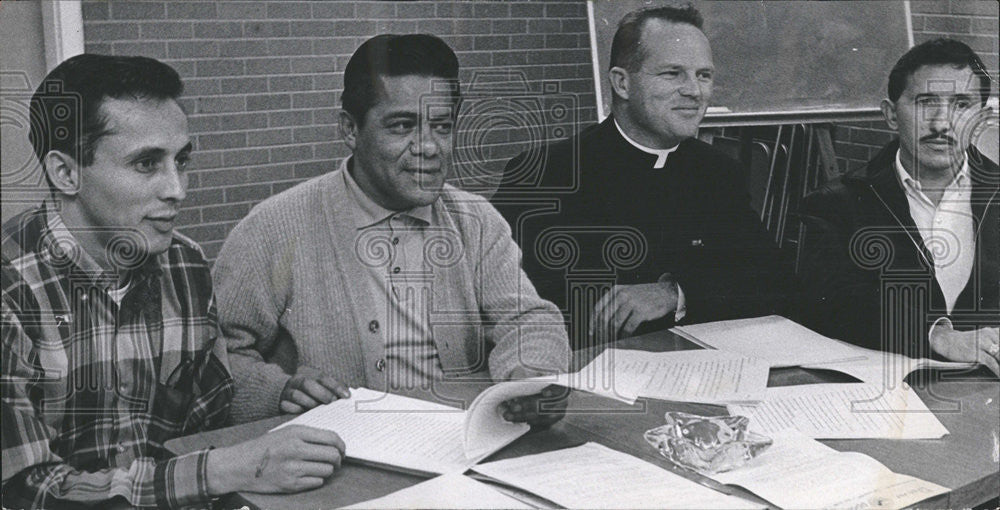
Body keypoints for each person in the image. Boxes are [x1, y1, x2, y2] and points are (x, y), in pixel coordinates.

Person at [1, 54, 345, 509]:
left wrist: (282, 394)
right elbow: (27, 488)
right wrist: (224, 469)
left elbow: (208, 406)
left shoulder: (183, 263)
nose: (177, 189)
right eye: (147, 164)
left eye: (181, 160)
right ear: (65, 173)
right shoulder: (10, 290)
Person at [213, 34, 570, 426]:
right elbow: (216, 357)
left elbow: (528, 320)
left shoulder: (476, 220)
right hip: (336, 456)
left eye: (442, 126)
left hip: (465, 444)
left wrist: (529, 375)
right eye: (402, 126)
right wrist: (277, 390)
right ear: (350, 130)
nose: (429, 147)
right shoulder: (273, 229)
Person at [495, 5, 787, 347]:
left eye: (703, 75)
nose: (694, 91)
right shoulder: (545, 174)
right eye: (673, 73)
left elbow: (777, 284)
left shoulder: (718, 174)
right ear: (622, 82)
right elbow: (505, 307)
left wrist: (676, 293)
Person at [798, 39, 999, 374]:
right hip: (885, 397)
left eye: (961, 105)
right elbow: (831, 303)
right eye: (925, 103)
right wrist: (936, 335)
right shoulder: (836, 203)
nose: (941, 124)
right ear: (891, 114)